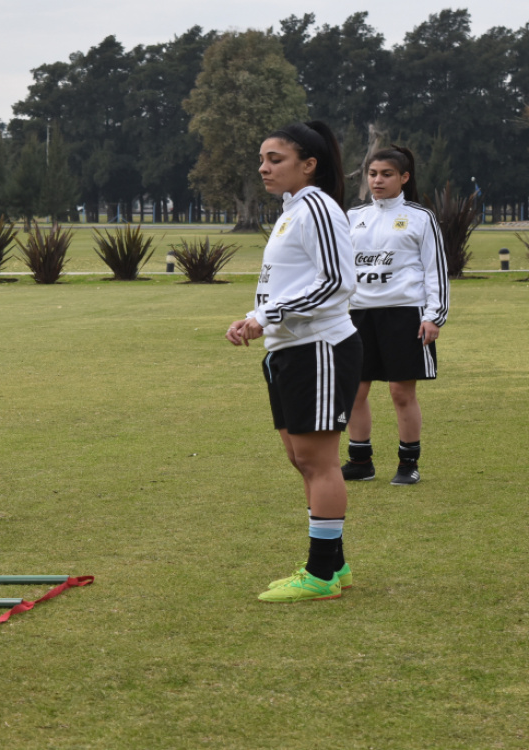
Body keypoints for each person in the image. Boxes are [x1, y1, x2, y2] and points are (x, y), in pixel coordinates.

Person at [226, 121, 362, 603]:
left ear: (309, 165)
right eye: (261, 160)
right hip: (289, 349)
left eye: (275, 159)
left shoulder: (318, 207)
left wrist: (267, 317)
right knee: (301, 460)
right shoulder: (293, 211)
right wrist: (254, 317)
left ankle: (320, 574)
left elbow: (337, 282)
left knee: (318, 462)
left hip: (319, 347)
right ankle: (335, 565)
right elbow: (289, 283)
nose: (264, 168)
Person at [341, 146, 449, 485]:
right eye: (372, 174)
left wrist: (434, 316)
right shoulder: (353, 216)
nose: (378, 180)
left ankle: (408, 463)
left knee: (401, 393)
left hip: (405, 315)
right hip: (358, 316)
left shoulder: (420, 217)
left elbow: (435, 270)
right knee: (354, 391)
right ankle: (360, 461)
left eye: (386, 174)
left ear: (404, 177)